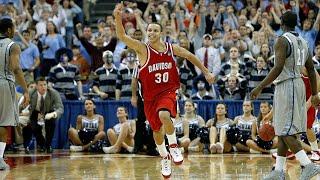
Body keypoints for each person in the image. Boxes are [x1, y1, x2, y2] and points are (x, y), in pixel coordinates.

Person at [113, 3, 215, 178]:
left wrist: (206, 71)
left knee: (164, 115)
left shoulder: (170, 48)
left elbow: (189, 55)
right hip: (149, 97)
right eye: (149, 30)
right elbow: (121, 35)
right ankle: (164, 157)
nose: (151, 33)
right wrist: (117, 17)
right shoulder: (142, 49)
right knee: (157, 131)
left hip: (167, 92)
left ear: (161, 33)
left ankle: (174, 146)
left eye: (155, 30)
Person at [250, 11, 320, 179]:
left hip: (288, 85)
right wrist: (315, 93)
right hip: (295, 86)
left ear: (281, 23)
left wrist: (259, 86)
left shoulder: (282, 40)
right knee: (282, 129)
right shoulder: (303, 41)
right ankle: (279, 170)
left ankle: (308, 165)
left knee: (287, 131)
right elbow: (311, 69)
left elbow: (278, 67)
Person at [0, 18, 29, 170]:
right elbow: (16, 68)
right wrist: (25, 90)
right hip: (5, 84)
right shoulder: (13, 45)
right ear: (9, 30)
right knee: (3, 123)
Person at [23, 77, 63, 154]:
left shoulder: (54, 93)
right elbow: (22, 105)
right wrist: (25, 105)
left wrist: (53, 114)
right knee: (33, 127)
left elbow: (60, 108)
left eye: (45, 84)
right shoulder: (30, 93)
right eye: (41, 85)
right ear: (36, 86)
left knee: (51, 124)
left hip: (49, 112)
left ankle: (48, 146)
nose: (43, 87)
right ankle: (42, 145)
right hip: (36, 112)